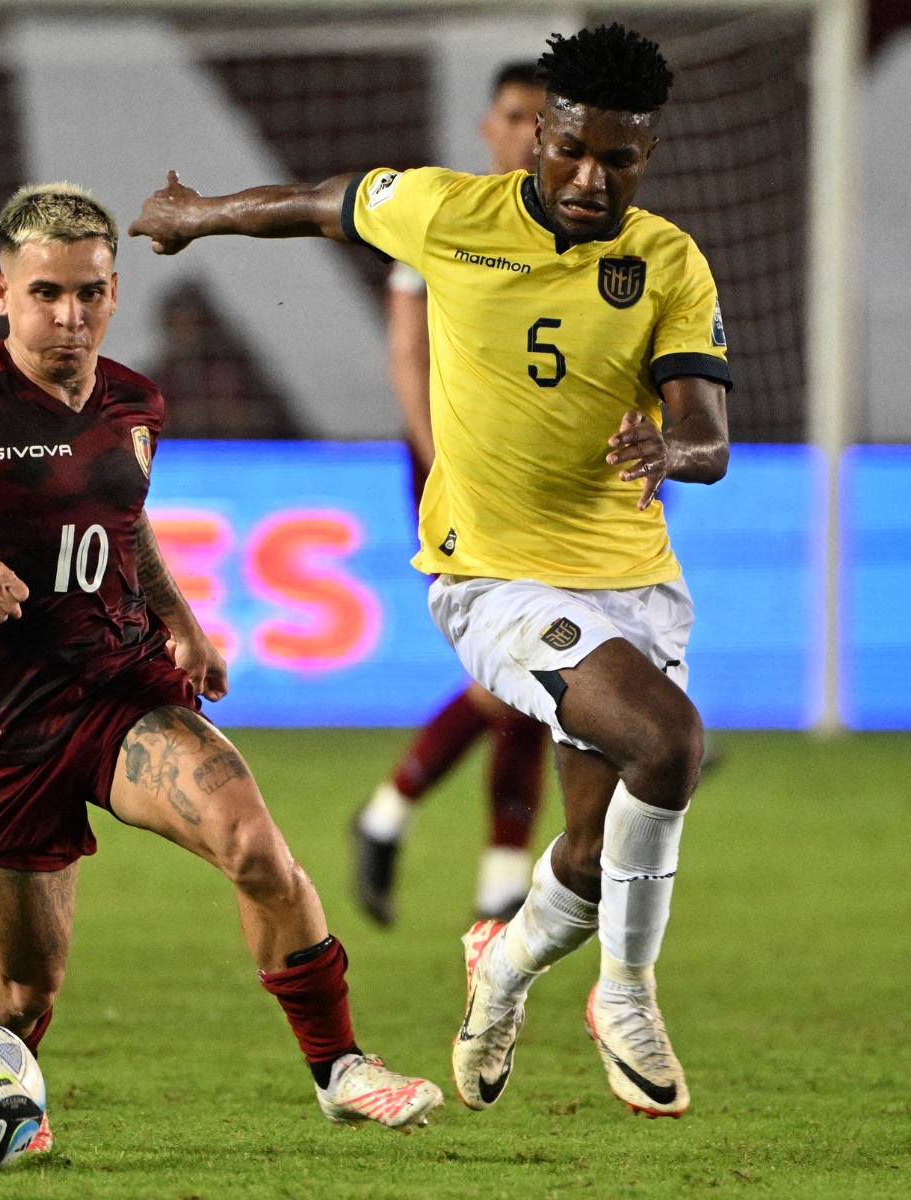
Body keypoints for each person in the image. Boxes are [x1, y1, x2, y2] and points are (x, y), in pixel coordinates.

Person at [130, 23, 730, 1119]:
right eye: (572, 150)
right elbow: (317, 201)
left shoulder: (667, 263)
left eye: (621, 160)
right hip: (494, 580)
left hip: (631, 585)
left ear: (647, 157)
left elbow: (707, 429)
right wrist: (197, 215)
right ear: (538, 135)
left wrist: (672, 449)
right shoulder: (452, 214)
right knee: (671, 744)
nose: (591, 178)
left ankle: (499, 967)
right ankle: (627, 998)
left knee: (595, 860)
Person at [0, 183, 444, 1151]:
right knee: (25, 989)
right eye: (45, 294)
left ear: (114, 293)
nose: (68, 318)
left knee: (252, 845)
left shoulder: (133, 402)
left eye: (89, 294)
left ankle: (339, 1068)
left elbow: (125, 520)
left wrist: (179, 618)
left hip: (121, 695)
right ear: (1, 293)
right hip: (5, 728)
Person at [353, 61, 551, 929]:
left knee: (541, 660)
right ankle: (476, 858)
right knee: (532, 662)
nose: (530, 134)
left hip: (543, 472)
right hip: (456, 473)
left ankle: (464, 856)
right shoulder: (446, 219)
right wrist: (446, 467)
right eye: (516, 115)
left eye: (545, 119)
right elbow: (407, 357)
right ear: (488, 127)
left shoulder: (576, 229)